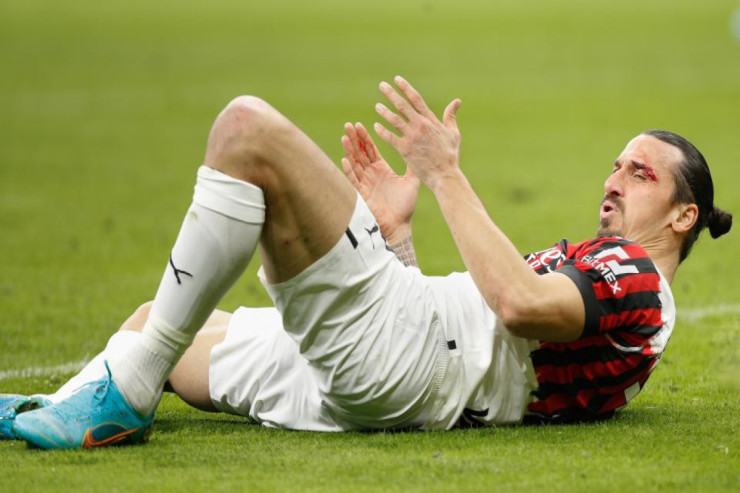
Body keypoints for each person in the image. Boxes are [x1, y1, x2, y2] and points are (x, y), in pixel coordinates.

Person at [1, 77, 732, 449]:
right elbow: (487, 353)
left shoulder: (639, 277)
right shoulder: (613, 278)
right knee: (153, 329)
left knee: (247, 129)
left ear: (684, 216)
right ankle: (66, 409)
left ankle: (121, 399)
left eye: (641, 173)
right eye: (616, 164)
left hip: (409, 360)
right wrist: (394, 235)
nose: (613, 179)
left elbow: (516, 305)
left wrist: (444, 173)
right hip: (396, 374)